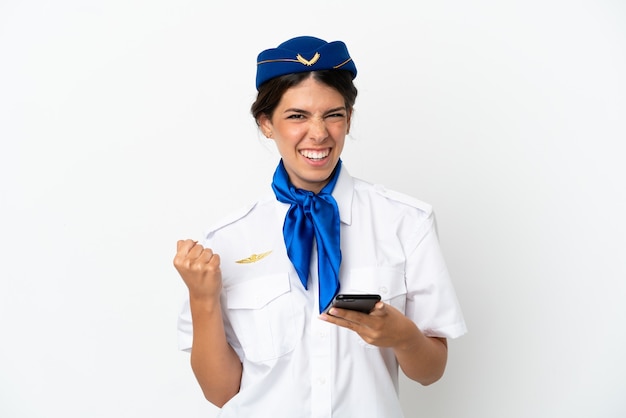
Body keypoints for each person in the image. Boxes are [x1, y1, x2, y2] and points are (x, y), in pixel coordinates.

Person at [174, 35, 467, 418]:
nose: (319, 134)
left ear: (348, 118)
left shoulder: (406, 222)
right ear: (266, 123)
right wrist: (202, 299)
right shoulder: (227, 240)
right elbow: (221, 392)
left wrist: (404, 337)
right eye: (297, 116)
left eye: (334, 114)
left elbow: (430, 372)